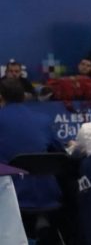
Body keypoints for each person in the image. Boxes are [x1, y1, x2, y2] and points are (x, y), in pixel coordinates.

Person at [0, 79, 63, 236]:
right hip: (47, 194)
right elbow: (60, 152)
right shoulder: (43, 119)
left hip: (10, 195)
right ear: (24, 96)